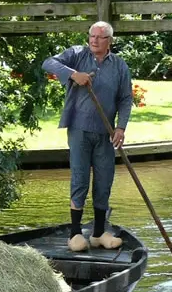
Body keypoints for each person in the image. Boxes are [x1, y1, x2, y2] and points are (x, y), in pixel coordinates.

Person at [42, 21, 133, 252]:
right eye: (92, 36)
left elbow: (125, 98)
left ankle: (99, 233)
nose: (94, 40)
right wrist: (74, 75)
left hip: (106, 133)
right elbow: (48, 62)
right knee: (80, 179)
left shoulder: (119, 66)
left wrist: (121, 128)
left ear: (109, 41)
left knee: (104, 181)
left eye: (100, 37)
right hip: (79, 130)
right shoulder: (77, 54)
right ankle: (75, 235)